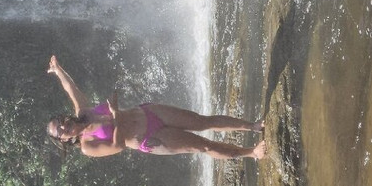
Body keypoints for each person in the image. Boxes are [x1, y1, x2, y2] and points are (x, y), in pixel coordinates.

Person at [45, 55, 265, 159]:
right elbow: (118, 145)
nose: (63, 127)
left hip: (149, 112)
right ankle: (252, 153)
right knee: (203, 146)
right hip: (149, 137)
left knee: (203, 121)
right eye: (60, 131)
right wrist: (115, 115)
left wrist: (58, 70)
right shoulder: (87, 146)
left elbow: (70, 87)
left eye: (60, 122)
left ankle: (253, 126)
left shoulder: (83, 112)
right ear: (63, 140)